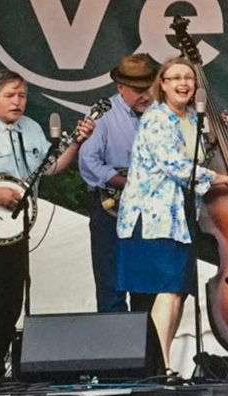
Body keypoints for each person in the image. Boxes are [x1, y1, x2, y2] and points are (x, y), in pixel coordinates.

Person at [0, 68, 95, 386]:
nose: (17, 101)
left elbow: (49, 168)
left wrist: (77, 143)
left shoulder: (31, 128)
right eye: (9, 95)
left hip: (14, 230)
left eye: (22, 95)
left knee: (11, 300)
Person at [116, 57, 228, 379]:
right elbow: (176, 166)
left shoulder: (191, 119)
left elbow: (197, 155)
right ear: (161, 84)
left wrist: (213, 138)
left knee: (175, 291)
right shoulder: (156, 118)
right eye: (174, 77)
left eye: (188, 77)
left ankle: (162, 365)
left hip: (180, 217)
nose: (183, 83)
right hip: (154, 216)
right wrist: (224, 179)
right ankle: (162, 368)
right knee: (167, 288)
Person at [79, 53, 158, 314]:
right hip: (110, 210)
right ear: (120, 87)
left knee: (147, 289)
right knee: (111, 286)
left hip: (150, 211)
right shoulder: (102, 114)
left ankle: (149, 354)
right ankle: (117, 352)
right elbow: (88, 163)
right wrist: (124, 182)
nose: (145, 95)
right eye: (137, 90)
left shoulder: (161, 115)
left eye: (148, 87)